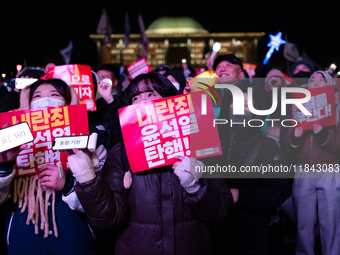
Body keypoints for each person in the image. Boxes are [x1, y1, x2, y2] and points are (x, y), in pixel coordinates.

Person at [68, 71, 234, 255]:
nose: (142, 103)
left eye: (151, 94)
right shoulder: (121, 152)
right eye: (135, 98)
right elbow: (109, 219)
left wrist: (195, 186)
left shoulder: (199, 143)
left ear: (171, 100)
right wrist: (88, 180)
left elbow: (221, 210)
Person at [0, 78, 99, 255]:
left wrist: (68, 185)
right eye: (37, 96)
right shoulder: (10, 145)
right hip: (22, 243)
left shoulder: (89, 143)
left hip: (74, 243)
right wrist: (4, 166)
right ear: (27, 104)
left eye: (54, 95)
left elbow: (99, 206)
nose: (45, 100)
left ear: (68, 102)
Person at [203, 69, 291, 254]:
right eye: (235, 103)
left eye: (246, 104)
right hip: (214, 232)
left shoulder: (266, 146)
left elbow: (280, 188)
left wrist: (240, 194)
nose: (239, 109)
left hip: (249, 237)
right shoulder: (214, 140)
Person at [286, 70, 340, 255]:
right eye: (313, 81)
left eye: (321, 80)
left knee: (330, 222)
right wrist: (295, 136)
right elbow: (287, 140)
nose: (316, 84)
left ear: (329, 84)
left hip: (329, 171)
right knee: (303, 222)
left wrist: (324, 136)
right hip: (304, 170)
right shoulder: (299, 105)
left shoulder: (337, 107)